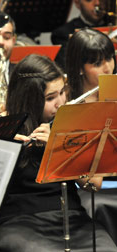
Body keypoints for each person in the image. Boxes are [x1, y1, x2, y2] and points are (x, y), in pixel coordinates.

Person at [0, 54, 116, 252]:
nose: (60, 102)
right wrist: (3, 148)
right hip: (18, 222)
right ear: (29, 99)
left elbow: (93, 185)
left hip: (69, 217)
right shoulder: (0, 126)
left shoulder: (69, 123)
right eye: (50, 98)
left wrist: (61, 145)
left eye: (62, 92)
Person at [65, 27, 117, 246]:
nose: (108, 68)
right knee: (96, 207)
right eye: (97, 64)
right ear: (79, 68)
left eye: (110, 58)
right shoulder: (69, 105)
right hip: (91, 189)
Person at [51, 0, 108, 70]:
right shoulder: (63, 33)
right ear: (77, 3)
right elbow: (67, 68)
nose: (97, 3)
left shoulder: (113, 24)